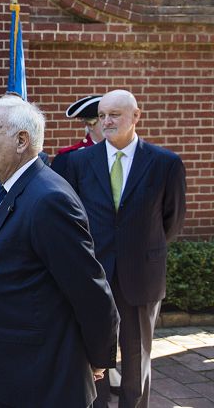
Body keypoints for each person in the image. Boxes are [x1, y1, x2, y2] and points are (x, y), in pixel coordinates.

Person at [0, 95, 119, 408]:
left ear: (22, 140)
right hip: (13, 370)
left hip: (41, 378)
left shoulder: (48, 200)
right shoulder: (10, 188)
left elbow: (90, 291)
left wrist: (98, 357)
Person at [59, 90, 186, 408]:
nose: (107, 121)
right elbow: (72, 219)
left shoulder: (165, 163)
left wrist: (138, 249)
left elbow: (171, 221)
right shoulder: (78, 162)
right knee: (94, 353)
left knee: (136, 357)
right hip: (94, 274)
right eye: (102, 116)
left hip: (141, 274)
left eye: (114, 114)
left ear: (136, 116)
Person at [51, 95, 104, 176]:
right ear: (90, 124)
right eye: (103, 118)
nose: (110, 122)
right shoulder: (66, 159)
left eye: (114, 116)